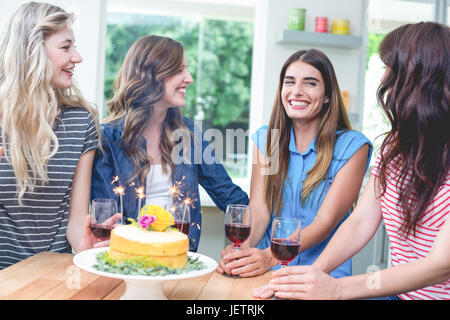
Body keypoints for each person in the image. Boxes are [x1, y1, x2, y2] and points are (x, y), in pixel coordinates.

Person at [253, 21, 450, 300]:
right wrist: (310, 278)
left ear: (422, 77)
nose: (383, 80)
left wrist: (337, 288)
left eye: (390, 69)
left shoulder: (351, 146)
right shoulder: (395, 147)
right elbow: (360, 222)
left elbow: (442, 265)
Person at [217, 48, 372, 278]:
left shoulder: (352, 147)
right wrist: (242, 252)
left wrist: (272, 254)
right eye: (289, 82)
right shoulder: (266, 141)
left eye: (310, 83)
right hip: (267, 271)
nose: (297, 91)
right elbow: (260, 210)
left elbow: (325, 222)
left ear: (328, 95)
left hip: (321, 273)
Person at [90, 35, 249, 252]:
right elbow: (106, 220)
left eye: (187, 69)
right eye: (179, 70)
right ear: (150, 76)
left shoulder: (189, 133)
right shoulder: (107, 139)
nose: (189, 78)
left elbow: (230, 197)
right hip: (126, 262)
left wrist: (265, 223)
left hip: (180, 260)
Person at [0, 2, 106, 269]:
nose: (77, 57)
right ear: (33, 50)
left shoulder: (82, 121)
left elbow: (75, 220)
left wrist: (85, 245)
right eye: (65, 47)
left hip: (56, 277)